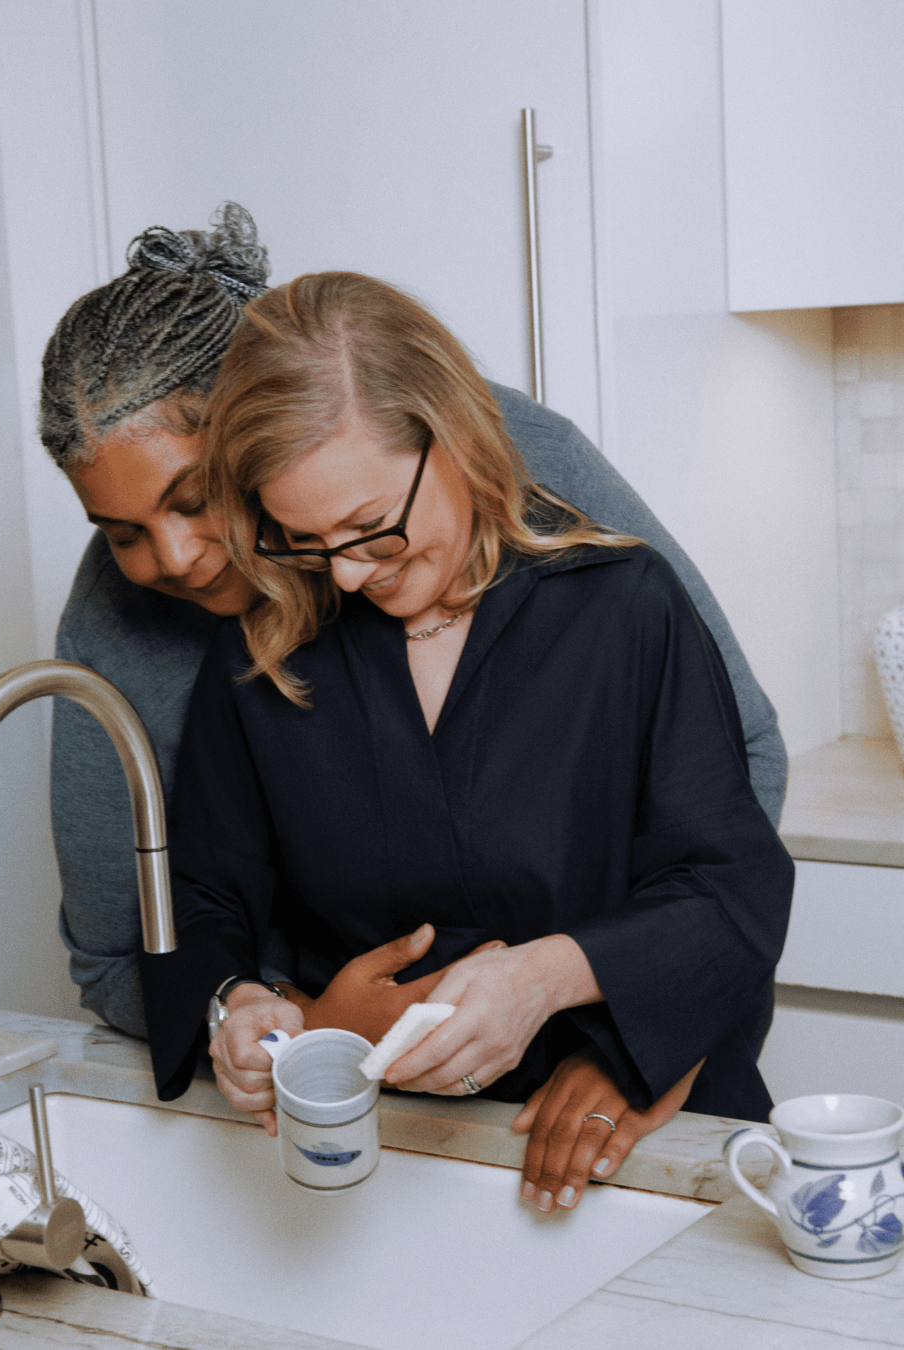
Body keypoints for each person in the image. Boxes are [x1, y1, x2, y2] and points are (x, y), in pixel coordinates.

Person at [41, 207, 788, 1053]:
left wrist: (636, 1048)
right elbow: (155, 932)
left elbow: (731, 839)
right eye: (121, 529)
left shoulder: (590, 559)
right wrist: (290, 1028)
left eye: (194, 498)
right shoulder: (223, 638)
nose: (175, 558)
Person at [137, 270, 795, 1215]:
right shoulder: (263, 651)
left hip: (614, 1146)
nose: (352, 574)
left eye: (374, 529)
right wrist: (235, 1007)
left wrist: (551, 981)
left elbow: (731, 890)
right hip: (382, 1161)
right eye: (307, 540)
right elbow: (196, 899)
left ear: (452, 436)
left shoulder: (620, 608)